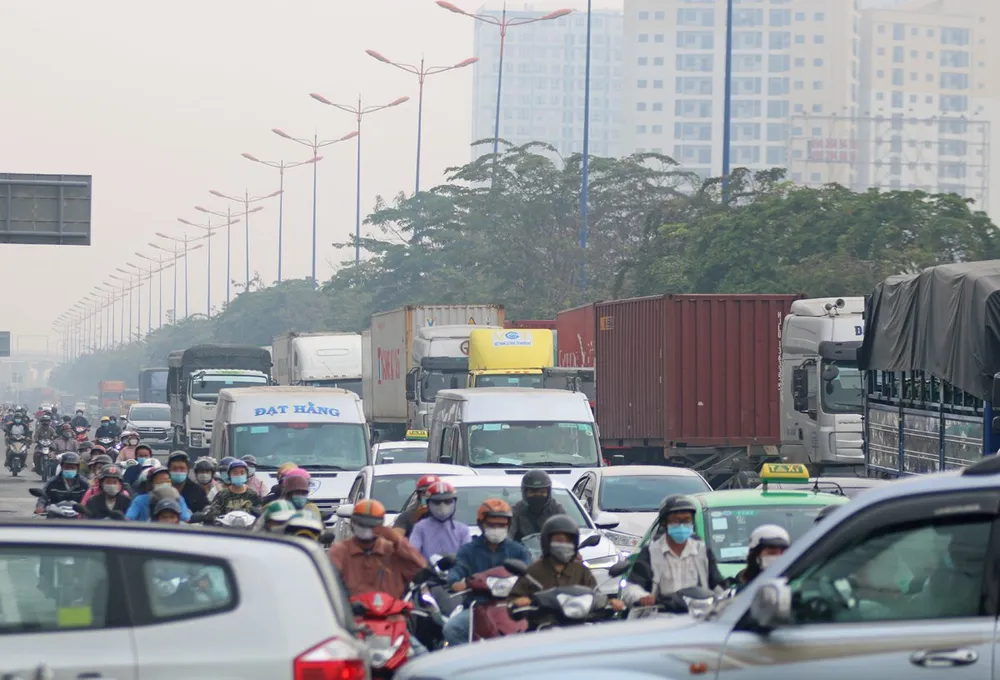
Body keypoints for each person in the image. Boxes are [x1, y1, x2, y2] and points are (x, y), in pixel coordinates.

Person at [442, 499, 533, 647]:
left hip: (512, 606)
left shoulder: (519, 550)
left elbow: (529, 574)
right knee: (452, 628)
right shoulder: (468, 551)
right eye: (492, 525)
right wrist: (457, 582)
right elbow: (456, 572)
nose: (497, 529)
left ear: (508, 526)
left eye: (502, 525)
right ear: (481, 524)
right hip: (478, 607)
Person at [621, 495, 726, 610]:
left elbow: (718, 586)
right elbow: (631, 587)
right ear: (665, 523)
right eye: (676, 521)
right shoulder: (651, 552)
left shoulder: (702, 551)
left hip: (697, 615)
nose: (681, 526)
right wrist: (642, 597)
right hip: (660, 615)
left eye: (686, 521)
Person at [509, 514, 625, 611]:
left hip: (576, 626)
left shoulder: (581, 570)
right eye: (559, 541)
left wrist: (610, 602)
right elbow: (512, 601)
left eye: (569, 541)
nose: (564, 545)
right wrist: (520, 602)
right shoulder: (533, 572)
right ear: (547, 542)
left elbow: (595, 595)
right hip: (543, 626)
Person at [328, 499, 426, 598]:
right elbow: (329, 584)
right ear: (353, 523)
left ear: (380, 526)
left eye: (371, 526)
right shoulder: (340, 551)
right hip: (353, 610)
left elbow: (420, 569)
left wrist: (397, 540)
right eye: (361, 524)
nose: (366, 529)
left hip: (391, 611)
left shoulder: (391, 550)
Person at [408, 481, 471, 562]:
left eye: (447, 501)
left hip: (456, 572)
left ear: (454, 502)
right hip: (427, 572)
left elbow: (467, 557)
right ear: (428, 504)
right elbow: (412, 553)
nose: (442, 506)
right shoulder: (420, 527)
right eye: (437, 502)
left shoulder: (463, 530)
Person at [508, 470, 567, 542]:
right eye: (532, 492)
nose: (537, 495)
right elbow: (508, 535)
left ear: (548, 493)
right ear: (525, 493)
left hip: (551, 551)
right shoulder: (516, 510)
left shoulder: (557, 510)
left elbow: (566, 534)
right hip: (522, 551)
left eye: (542, 492)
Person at [735, 524, 791, 591]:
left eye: (783, 553)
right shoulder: (742, 589)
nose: (778, 557)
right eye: (772, 553)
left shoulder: (794, 581)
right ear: (756, 556)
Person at [126, 468, 193, 521]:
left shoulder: (178, 498)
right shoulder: (140, 500)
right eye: (161, 480)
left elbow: (186, 519)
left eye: (167, 480)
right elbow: (129, 518)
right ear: (152, 484)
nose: (164, 483)